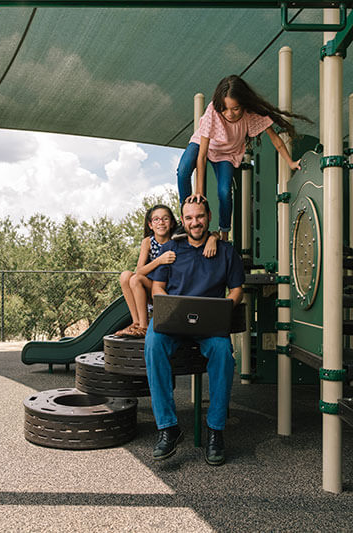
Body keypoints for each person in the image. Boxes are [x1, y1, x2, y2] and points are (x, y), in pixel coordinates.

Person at [144, 196, 245, 466]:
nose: (194, 222)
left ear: (208, 217)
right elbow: (157, 288)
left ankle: (216, 430)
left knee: (223, 352)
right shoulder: (171, 249)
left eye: (199, 216)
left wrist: (225, 307)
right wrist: (165, 304)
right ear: (183, 221)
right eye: (189, 218)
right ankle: (168, 427)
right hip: (173, 322)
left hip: (210, 325)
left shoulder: (226, 252)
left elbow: (237, 291)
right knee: (153, 344)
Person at [177, 74, 311, 241]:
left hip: (227, 153)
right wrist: (199, 192)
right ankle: (184, 220)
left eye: (235, 109)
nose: (230, 114)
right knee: (183, 171)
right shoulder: (214, 109)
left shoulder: (251, 113)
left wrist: (290, 162)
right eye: (225, 109)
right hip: (204, 144)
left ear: (244, 104)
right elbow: (202, 155)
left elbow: (275, 140)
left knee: (225, 192)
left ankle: (224, 233)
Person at [114, 204, 219, 338]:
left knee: (135, 279)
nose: (161, 223)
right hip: (149, 285)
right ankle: (137, 322)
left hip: (166, 289)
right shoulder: (148, 242)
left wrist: (213, 238)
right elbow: (139, 270)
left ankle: (144, 327)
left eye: (165, 219)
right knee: (126, 276)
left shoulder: (176, 239)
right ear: (150, 225)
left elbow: (208, 233)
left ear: (172, 223)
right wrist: (159, 260)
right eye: (156, 220)